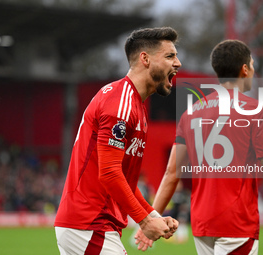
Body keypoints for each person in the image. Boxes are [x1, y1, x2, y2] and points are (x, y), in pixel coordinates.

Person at [135, 40, 263, 254]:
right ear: (244, 69)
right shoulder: (254, 110)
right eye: (251, 65)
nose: (252, 69)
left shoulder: (191, 113)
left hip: (203, 223)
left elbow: (171, 173)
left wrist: (152, 218)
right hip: (236, 223)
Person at [54, 27, 182, 255]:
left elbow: (125, 181)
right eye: (170, 56)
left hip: (92, 225)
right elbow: (110, 172)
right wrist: (144, 221)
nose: (178, 63)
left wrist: (153, 216)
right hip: (89, 222)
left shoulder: (136, 106)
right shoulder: (121, 102)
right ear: (145, 59)